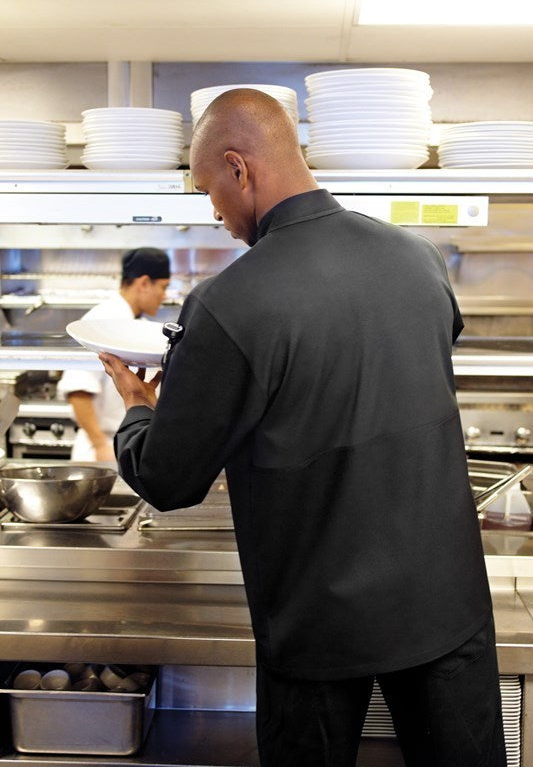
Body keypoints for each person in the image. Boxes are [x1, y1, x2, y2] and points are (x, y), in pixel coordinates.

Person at [100, 89, 506, 766]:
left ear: (239, 168)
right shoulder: (417, 258)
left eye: (207, 189)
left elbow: (167, 480)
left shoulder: (228, 304)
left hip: (317, 624)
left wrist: (139, 407)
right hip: (446, 603)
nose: (213, 210)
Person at [57, 247, 170, 461]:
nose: (164, 296)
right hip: (102, 447)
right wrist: (99, 444)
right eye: (163, 287)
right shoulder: (104, 321)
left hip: (126, 440)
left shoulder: (137, 322)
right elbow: (78, 389)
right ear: (144, 283)